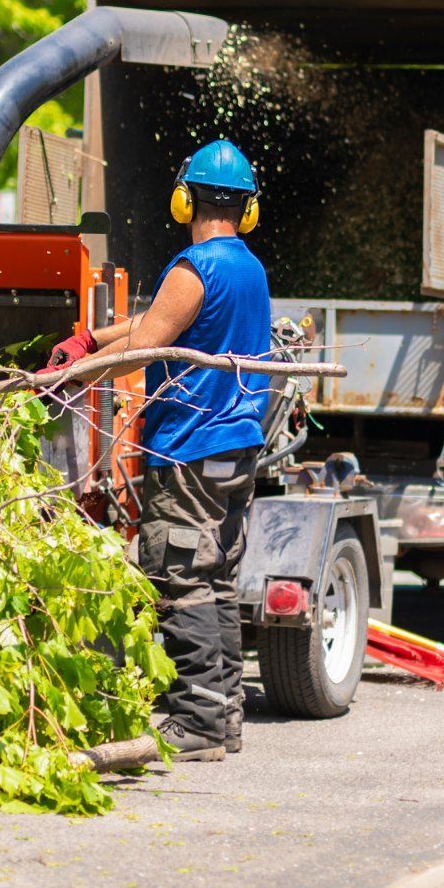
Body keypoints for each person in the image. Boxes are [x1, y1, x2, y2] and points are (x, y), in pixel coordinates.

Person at [42, 139, 273, 761]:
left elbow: (143, 348)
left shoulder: (195, 268)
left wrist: (65, 381)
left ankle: (195, 723)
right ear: (245, 210)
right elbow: (158, 323)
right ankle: (222, 718)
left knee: (179, 576)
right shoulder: (247, 269)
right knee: (216, 576)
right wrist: (89, 337)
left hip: (190, 450)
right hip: (236, 447)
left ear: (184, 198)